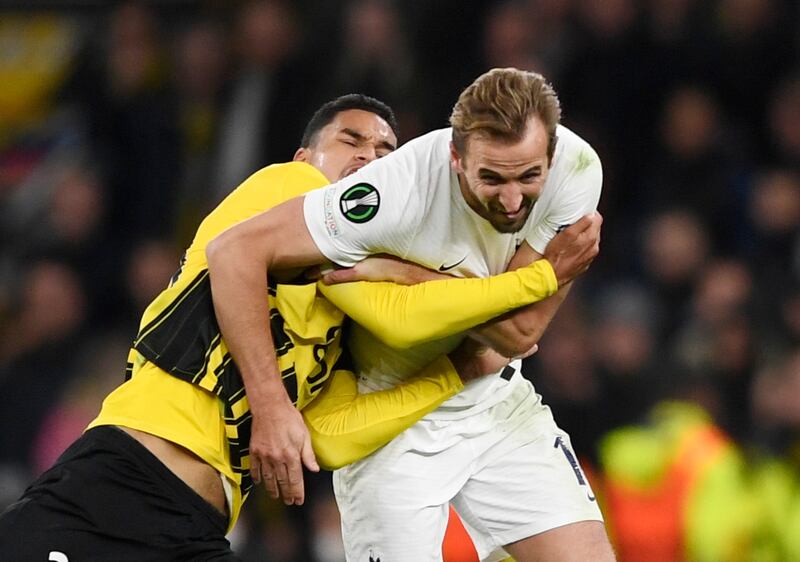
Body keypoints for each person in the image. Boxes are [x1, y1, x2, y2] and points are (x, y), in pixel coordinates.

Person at [0, 93, 599, 561]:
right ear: (304, 155)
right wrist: (539, 279)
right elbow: (236, 258)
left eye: (387, 153)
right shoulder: (287, 188)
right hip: (116, 482)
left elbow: (330, 437)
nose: (370, 159)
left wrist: (453, 372)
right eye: (351, 141)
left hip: (198, 525)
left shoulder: (345, 316)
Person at [205, 67, 613, 561]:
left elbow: (519, 330)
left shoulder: (576, 170)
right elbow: (233, 251)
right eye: (491, 178)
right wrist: (270, 406)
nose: (511, 200)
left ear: (551, 154)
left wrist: (403, 272)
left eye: (529, 176)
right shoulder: (386, 194)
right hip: (389, 426)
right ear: (455, 157)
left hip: (496, 404)